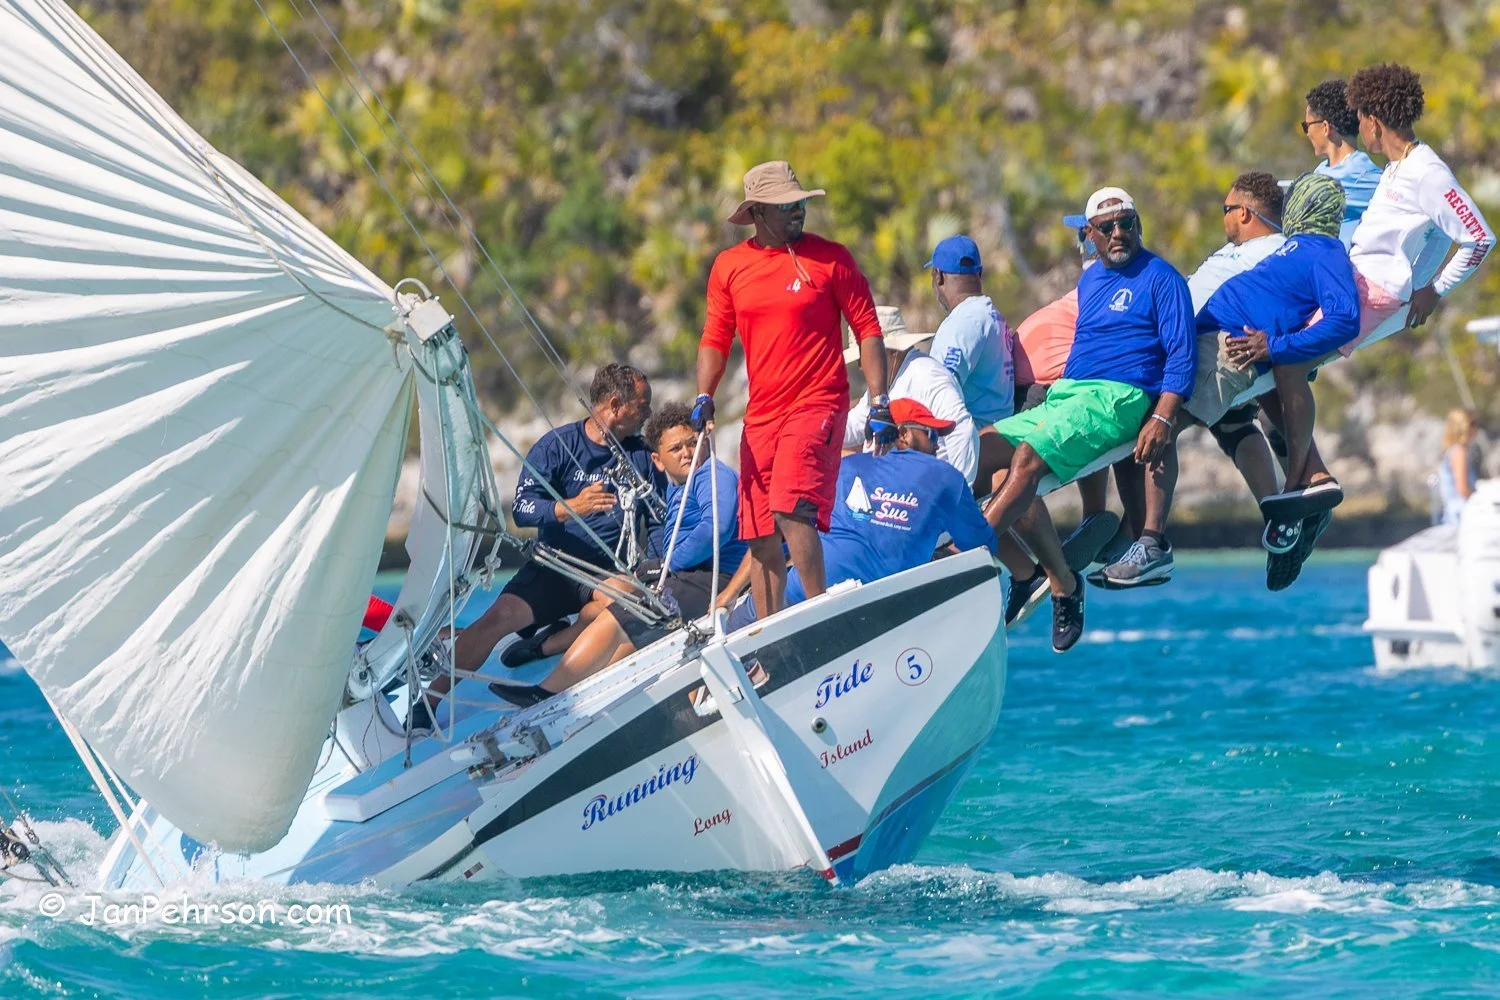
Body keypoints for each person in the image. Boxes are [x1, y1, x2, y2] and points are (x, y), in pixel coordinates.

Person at [985, 187, 1195, 651]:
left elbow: (1182, 354)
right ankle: (1041, 577)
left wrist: (1162, 415)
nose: (1119, 233)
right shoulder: (1091, 282)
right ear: (1090, 236)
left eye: (1127, 223)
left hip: (1121, 396)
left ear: (1138, 225)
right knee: (978, 451)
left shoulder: (1162, 278)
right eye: (1108, 227)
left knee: (1027, 459)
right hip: (1070, 394)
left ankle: (970, 552)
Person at [411, 364, 662, 731]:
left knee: (624, 607)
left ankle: (545, 646)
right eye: (642, 406)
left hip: (608, 573)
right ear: (614, 405)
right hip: (555, 568)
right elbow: (523, 510)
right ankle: (428, 702)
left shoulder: (641, 454)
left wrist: (656, 566)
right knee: (494, 621)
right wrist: (567, 508)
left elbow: (656, 518)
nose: (647, 414)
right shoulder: (558, 446)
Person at [694, 160, 890, 626]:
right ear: (757, 212)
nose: (798, 211)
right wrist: (704, 395)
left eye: (800, 203)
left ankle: (821, 617)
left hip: (818, 402)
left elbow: (867, 329)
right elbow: (715, 339)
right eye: (786, 206)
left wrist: (880, 402)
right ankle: (768, 636)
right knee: (759, 534)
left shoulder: (832, 258)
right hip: (761, 416)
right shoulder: (730, 266)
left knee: (789, 505)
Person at [1094, 171, 1288, 588]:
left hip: (1217, 347)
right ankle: (1278, 515)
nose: (1222, 218)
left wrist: (1272, 345)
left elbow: (1303, 303)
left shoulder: (1279, 251)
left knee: (1158, 425)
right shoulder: (1235, 250)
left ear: (1244, 212)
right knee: (1233, 422)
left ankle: (1149, 542)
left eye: (1225, 209)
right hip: (1189, 339)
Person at [491, 403, 749, 707]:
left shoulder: (712, 474)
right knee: (604, 610)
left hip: (712, 576)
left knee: (619, 617)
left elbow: (714, 529)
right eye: (676, 448)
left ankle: (546, 691)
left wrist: (667, 565)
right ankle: (561, 661)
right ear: (658, 460)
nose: (687, 453)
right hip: (690, 574)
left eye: (692, 443)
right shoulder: (679, 485)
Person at [724, 398, 998, 629]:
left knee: (735, 626)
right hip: (877, 610)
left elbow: (789, 528)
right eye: (932, 434)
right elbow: (985, 544)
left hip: (806, 593)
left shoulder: (844, 466)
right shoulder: (947, 477)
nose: (938, 446)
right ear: (902, 435)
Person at [1208, 174, 1359, 571]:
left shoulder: (1324, 251)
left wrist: (1275, 346)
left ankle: (1298, 489)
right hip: (1217, 331)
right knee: (1246, 411)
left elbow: (1345, 318)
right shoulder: (1298, 247)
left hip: (1232, 345)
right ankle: (1301, 490)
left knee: (1211, 416)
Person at [1344, 64, 1494, 353]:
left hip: (1369, 300)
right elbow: (1439, 234)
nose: (1358, 127)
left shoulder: (1426, 171)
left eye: (1359, 118)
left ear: (1373, 122)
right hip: (1354, 289)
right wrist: (1417, 283)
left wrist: (1435, 289)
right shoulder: (1397, 165)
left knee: (1286, 361)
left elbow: (1480, 237)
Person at [844, 305, 977, 484]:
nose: (861, 365)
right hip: (892, 480)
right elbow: (852, 427)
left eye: (865, 355)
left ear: (891, 351)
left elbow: (962, 431)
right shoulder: (883, 381)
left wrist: (960, 494)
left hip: (924, 486)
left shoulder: (927, 375)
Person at [1303, 79, 1385, 246]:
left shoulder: (1363, 174)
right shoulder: (1321, 169)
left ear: (1325, 127)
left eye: (1306, 126)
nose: (1307, 133)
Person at [1437, 408, 1479, 526]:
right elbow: (1462, 488)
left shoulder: (1452, 451)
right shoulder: (1460, 452)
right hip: (1460, 513)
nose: (1476, 428)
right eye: (1473, 424)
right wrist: (1481, 501)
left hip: (1453, 513)